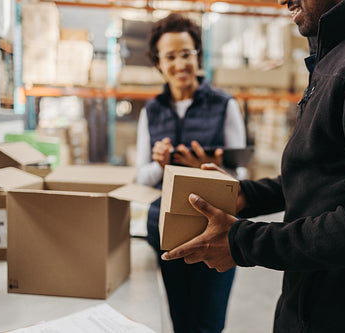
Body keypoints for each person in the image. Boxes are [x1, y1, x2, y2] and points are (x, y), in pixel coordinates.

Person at [161, 0, 345, 332]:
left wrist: (242, 242)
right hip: (315, 306)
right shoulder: (342, 51)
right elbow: (321, 175)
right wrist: (245, 195)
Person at [135, 13, 246, 333]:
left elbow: (240, 175)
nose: (180, 63)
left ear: (197, 55)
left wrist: (207, 170)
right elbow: (140, 177)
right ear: (159, 63)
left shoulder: (224, 104)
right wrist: (158, 166)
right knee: (180, 321)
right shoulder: (152, 111)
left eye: (186, 53)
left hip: (215, 229)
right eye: (170, 56)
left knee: (209, 322)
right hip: (165, 231)